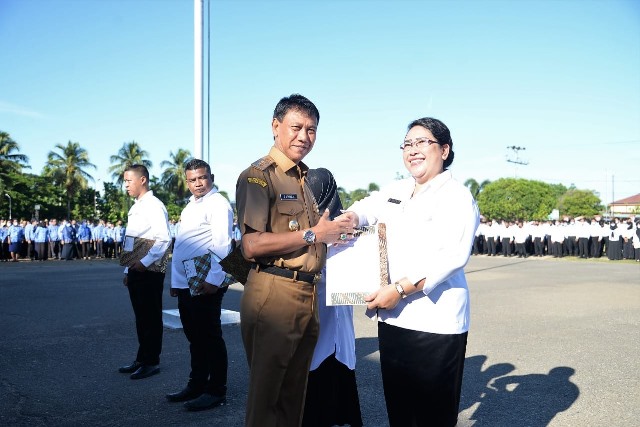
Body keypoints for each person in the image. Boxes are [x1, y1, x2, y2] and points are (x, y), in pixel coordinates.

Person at [344, 117, 479, 427]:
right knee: (401, 410)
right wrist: (349, 218)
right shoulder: (399, 189)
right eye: (407, 144)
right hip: (393, 318)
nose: (412, 150)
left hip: (435, 323)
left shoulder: (456, 196)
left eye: (422, 142)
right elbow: (366, 207)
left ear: (444, 150)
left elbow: (452, 256)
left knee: (432, 415)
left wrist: (400, 289)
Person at [235, 94, 351, 427]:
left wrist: (342, 233)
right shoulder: (258, 176)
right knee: (266, 400)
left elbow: (322, 234)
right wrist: (315, 234)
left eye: (312, 130)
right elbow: (252, 246)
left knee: (294, 397)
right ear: (276, 127)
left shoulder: (304, 179)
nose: (304, 137)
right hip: (274, 294)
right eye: (296, 127)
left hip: (307, 295)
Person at [166, 159, 233, 411]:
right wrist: (176, 282)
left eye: (202, 178)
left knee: (210, 336)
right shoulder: (190, 206)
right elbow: (182, 244)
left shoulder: (219, 203)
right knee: (194, 336)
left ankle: (216, 390)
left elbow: (222, 244)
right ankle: (196, 384)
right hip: (187, 280)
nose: (198, 183)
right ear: (187, 182)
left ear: (211, 177)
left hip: (206, 280)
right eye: (193, 180)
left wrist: (214, 280)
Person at [302, 168, 363, 427]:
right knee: (315, 370)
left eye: (313, 192)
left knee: (333, 366)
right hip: (310, 313)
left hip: (336, 310)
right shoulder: (299, 224)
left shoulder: (346, 226)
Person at [118, 164, 171, 380]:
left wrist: (145, 262)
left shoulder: (154, 206)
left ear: (142, 180)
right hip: (136, 268)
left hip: (149, 270)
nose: (126, 185)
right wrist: (127, 269)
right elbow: (131, 242)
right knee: (141, 316)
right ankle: (142, 358)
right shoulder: (137, 206)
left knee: (150, 316)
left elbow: (164, 238)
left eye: (129, 181)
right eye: (125, 181)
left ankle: (151, 361)